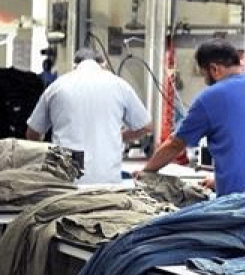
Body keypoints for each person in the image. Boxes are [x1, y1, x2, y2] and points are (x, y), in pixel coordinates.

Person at [139, 39, 245, 195]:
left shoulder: (210, 97)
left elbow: (176, 144)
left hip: (240, 202)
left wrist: (146, 172)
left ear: (214, 69)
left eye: (204, 75)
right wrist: (220, 180)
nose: (205, 81)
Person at [25, 48, 152, 185]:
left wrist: (47, 154)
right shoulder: (120, 85)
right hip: (108, 181)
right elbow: (146, 127)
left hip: (66, 180)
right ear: (103, 64)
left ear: (74, 65)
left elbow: (32, 133)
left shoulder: (56, 87)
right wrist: (118, 135)